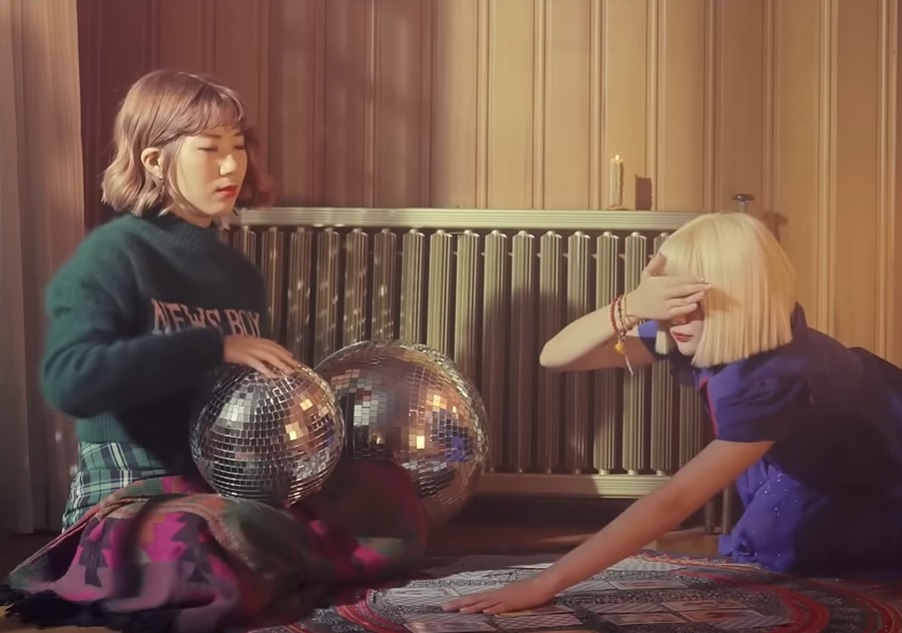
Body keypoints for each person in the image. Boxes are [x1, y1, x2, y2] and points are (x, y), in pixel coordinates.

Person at [443, 211, 902, 615]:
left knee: (810, 557)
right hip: (815, 456)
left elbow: (675, 501)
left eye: (691, 304)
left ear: (738, 303)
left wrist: (546, 583)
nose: (675, 319)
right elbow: (556, 356)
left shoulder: (772, 377)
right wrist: (630, 306)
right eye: (670, 302)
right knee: (773, 541)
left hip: (879, 468)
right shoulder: (698, 328)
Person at [40, 69, 298, 529]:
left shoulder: (241, 276)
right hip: (128, 491)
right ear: (155, 161)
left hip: (222, 486)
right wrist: (212, 347)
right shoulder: (115, 253)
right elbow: (69, 380)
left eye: (237, 146)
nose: (231, 166)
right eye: (210, 149)